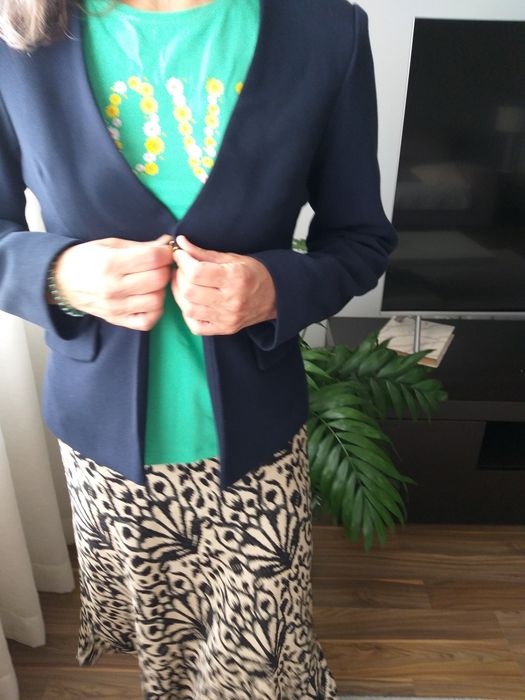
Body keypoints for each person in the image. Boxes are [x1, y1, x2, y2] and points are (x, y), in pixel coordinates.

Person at [0, 0, 397, 697]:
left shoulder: (325, 30)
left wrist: (274, 288)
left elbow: (361, 238)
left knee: (261, 652)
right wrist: (57, 274)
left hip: (256, 435)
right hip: (104, 442)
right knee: (167, 650)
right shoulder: (16, 34)